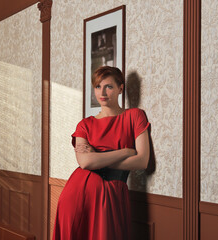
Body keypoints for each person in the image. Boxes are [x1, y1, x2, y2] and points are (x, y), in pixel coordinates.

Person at [52, 66, 151, 240]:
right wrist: (125, 151)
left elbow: (142, 161)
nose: (102, 92)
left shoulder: (135, 116)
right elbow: (86, 163)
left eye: (109, 86)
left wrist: (97, 156)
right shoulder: (85, 125)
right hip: (76, 194)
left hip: (112, 195)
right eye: (98, 87)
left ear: (121, 88)